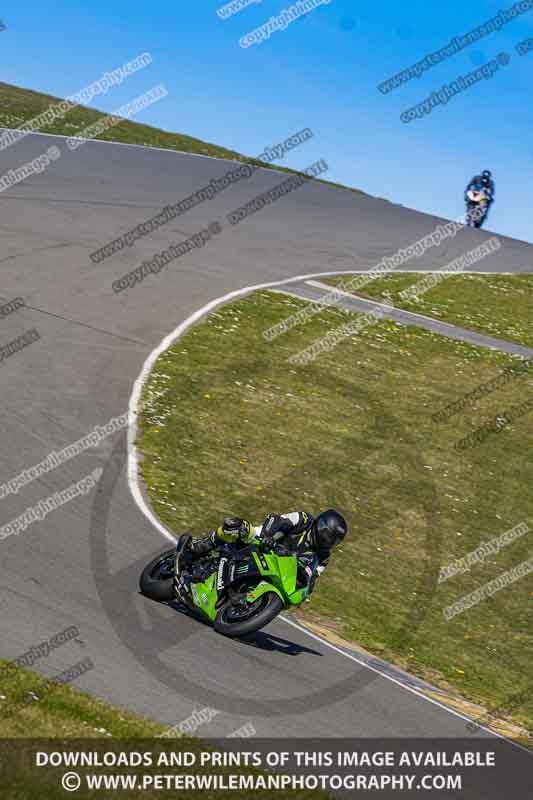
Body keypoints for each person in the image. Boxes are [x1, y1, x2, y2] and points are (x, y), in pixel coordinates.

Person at [183, 510, 348, 598]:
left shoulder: (323, 557)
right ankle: (203, 545)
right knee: (237, 526)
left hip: (275, 570)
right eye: (329, 536)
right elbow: (277, 519)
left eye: (334, 541)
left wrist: (304, 588)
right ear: (321, 526)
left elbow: (311, 578)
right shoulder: (304, 519)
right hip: (262, 543)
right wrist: (267, 536)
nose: (329, 542)